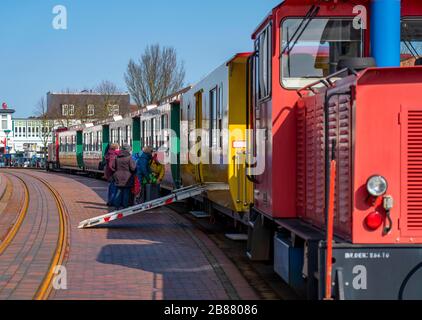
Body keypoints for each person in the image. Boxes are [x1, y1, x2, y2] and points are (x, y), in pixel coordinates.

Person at [111, 144, 137, 209]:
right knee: (126, 193)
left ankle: (116, 207)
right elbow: (133, 168)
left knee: (118, 192)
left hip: (118, 177)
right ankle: (125, 207)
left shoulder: (117, 157)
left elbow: (113, 167)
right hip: (127, 178)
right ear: (128, 150)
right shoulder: (129, 158)